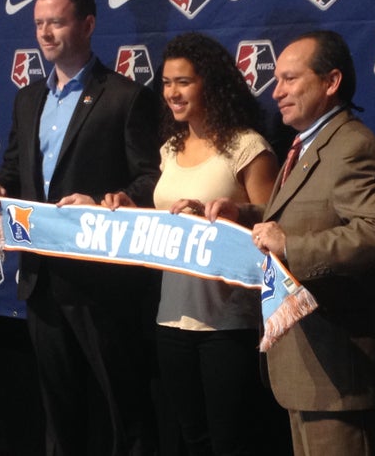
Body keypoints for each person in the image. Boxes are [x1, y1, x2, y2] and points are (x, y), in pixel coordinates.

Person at [0, 0, 161, 456]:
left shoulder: (125, 97)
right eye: (39, 23)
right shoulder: (28, 98)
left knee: (125, 408)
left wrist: (106, 200)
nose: (45, 32)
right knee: (59, 410)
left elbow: (149, 180)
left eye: (56, 22)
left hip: (102, 285)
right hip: (41, 279)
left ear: (88, 25)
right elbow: (15, 170)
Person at [205, 30, 375, 456]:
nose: (275, 92)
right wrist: (242, 215)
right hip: (307, 368)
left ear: (331, 82)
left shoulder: (352, 146)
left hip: (342, 370)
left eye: (290, 79)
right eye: (275, 80)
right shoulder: (305, 144)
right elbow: (300, 215)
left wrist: (291, 247)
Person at [103, 32, 286, 455]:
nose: (172, 92)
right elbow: (165, 225)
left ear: (212, 84)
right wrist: (127, 207)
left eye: (183, 81)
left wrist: (224, 214)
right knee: (192, 437)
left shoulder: (248, 147)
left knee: (231, 442)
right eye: (166, 83)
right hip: (171, 319)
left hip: (230, 323)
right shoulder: (169, 148)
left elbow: (275, 227)